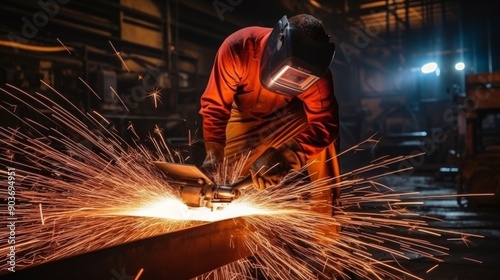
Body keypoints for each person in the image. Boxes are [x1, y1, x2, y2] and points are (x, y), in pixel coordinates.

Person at [199, 14, 341, 228]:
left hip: (290, 116)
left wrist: (285, 158)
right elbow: (215, 107)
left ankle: (327, 233)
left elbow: (325, 124)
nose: (291, 82)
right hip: (244, 116)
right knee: (225, 179)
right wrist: (213, 155)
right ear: (277, 46)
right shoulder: (239, 47)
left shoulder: (318, 75)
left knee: (325, 145)